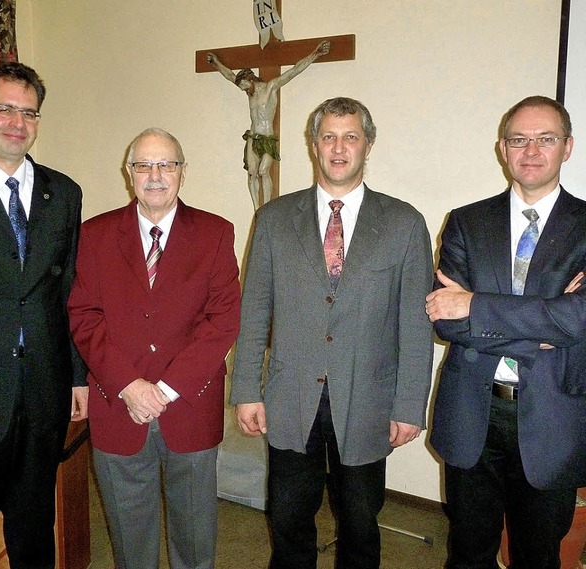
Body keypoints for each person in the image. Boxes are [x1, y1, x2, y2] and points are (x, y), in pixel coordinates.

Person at [230, 97, 434, 568]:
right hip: (290, 396)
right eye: (328, 137)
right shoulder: (276, 219)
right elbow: (255, 308)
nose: (338, 148)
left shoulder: (404, 224)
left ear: (368, 145)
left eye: (350, 137)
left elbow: (414, 324)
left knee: (360, 522)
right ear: (313, 145)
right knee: (287, 519)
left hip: (368, 400)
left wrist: (408, 406)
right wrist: (246, 389)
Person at [68, 127, 241, 569]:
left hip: (190, 406)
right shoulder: (94, 234)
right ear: (129, 174)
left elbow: (222, 321)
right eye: (143, 165)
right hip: (117, 404)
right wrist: (128, 384)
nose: (155, 175)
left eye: (167, 164)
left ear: (183, 172)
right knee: (130, 535)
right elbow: (84, 315)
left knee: (195, 533)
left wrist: (164, 389)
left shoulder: (216, 233)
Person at [425, 95, 586, 568]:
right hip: (474, 410)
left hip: (554, 417)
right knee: (468, 553)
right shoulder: (466, 222)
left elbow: (580, 320)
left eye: (545, 139)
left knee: (539, 556)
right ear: (502, 148)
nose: (531, 151)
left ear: (567, 147)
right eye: (519, 140)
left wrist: (476, 304)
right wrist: (546, 322)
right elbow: (446, 318)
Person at [0, 62, 87, 569]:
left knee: (33, 534)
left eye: (29, 112)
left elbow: (69, 288)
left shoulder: (64, 193)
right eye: (5, 108)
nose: (17, 122)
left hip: (42, 395)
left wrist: (77, 376)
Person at [207, 40, 330, 210]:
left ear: (250, 79)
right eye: (241, 87)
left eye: (244, 85)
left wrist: (315, 54)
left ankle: (266, 207)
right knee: (252, 173)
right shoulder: (249, 93)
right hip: (253, 136)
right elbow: (229, 75)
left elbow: (293, 72)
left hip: (267, 137)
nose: (243, 90)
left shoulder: (270, 87)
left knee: (263, 172)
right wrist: (216, 63)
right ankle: (257, 209)